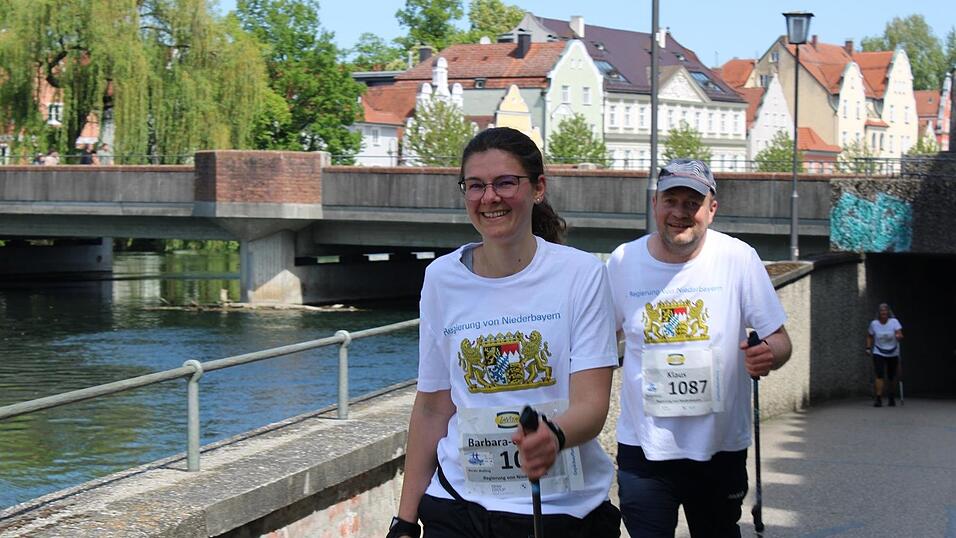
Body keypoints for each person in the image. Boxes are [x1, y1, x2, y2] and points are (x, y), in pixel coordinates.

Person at [388, 127, 621, 538]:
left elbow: (592, 403)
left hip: (558, 510)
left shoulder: (581, 274)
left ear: (537, 189)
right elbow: (432, 408)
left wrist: (554, 435)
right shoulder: (441, 278)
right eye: (475, 186)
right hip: (458, 504)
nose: (489, 197)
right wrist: (404, 521)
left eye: (505, 182)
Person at [606, 159, 793, 537]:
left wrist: (769, 354)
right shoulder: (623, 262)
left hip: (719, 448)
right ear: (655, 203)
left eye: (691, 203)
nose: (679, 213)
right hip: (645, 451)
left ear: (711, 208)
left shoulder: (738, 258)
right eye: (670, 200)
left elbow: (781, 340)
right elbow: (600, 345)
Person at [866, 303, 903, 407]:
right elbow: (869, 336)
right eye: (882, 311)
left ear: (888, 313)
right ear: (879, 313)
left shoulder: (894, 322)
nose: (884, 313)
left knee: (891, 376)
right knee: (879, 374)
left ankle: (891, 397)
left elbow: (900, 333)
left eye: (885, 311)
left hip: (893, 352)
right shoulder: (874, 324)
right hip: (879, 351)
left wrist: (899, 335)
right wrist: (868, 348)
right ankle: (878, 398)